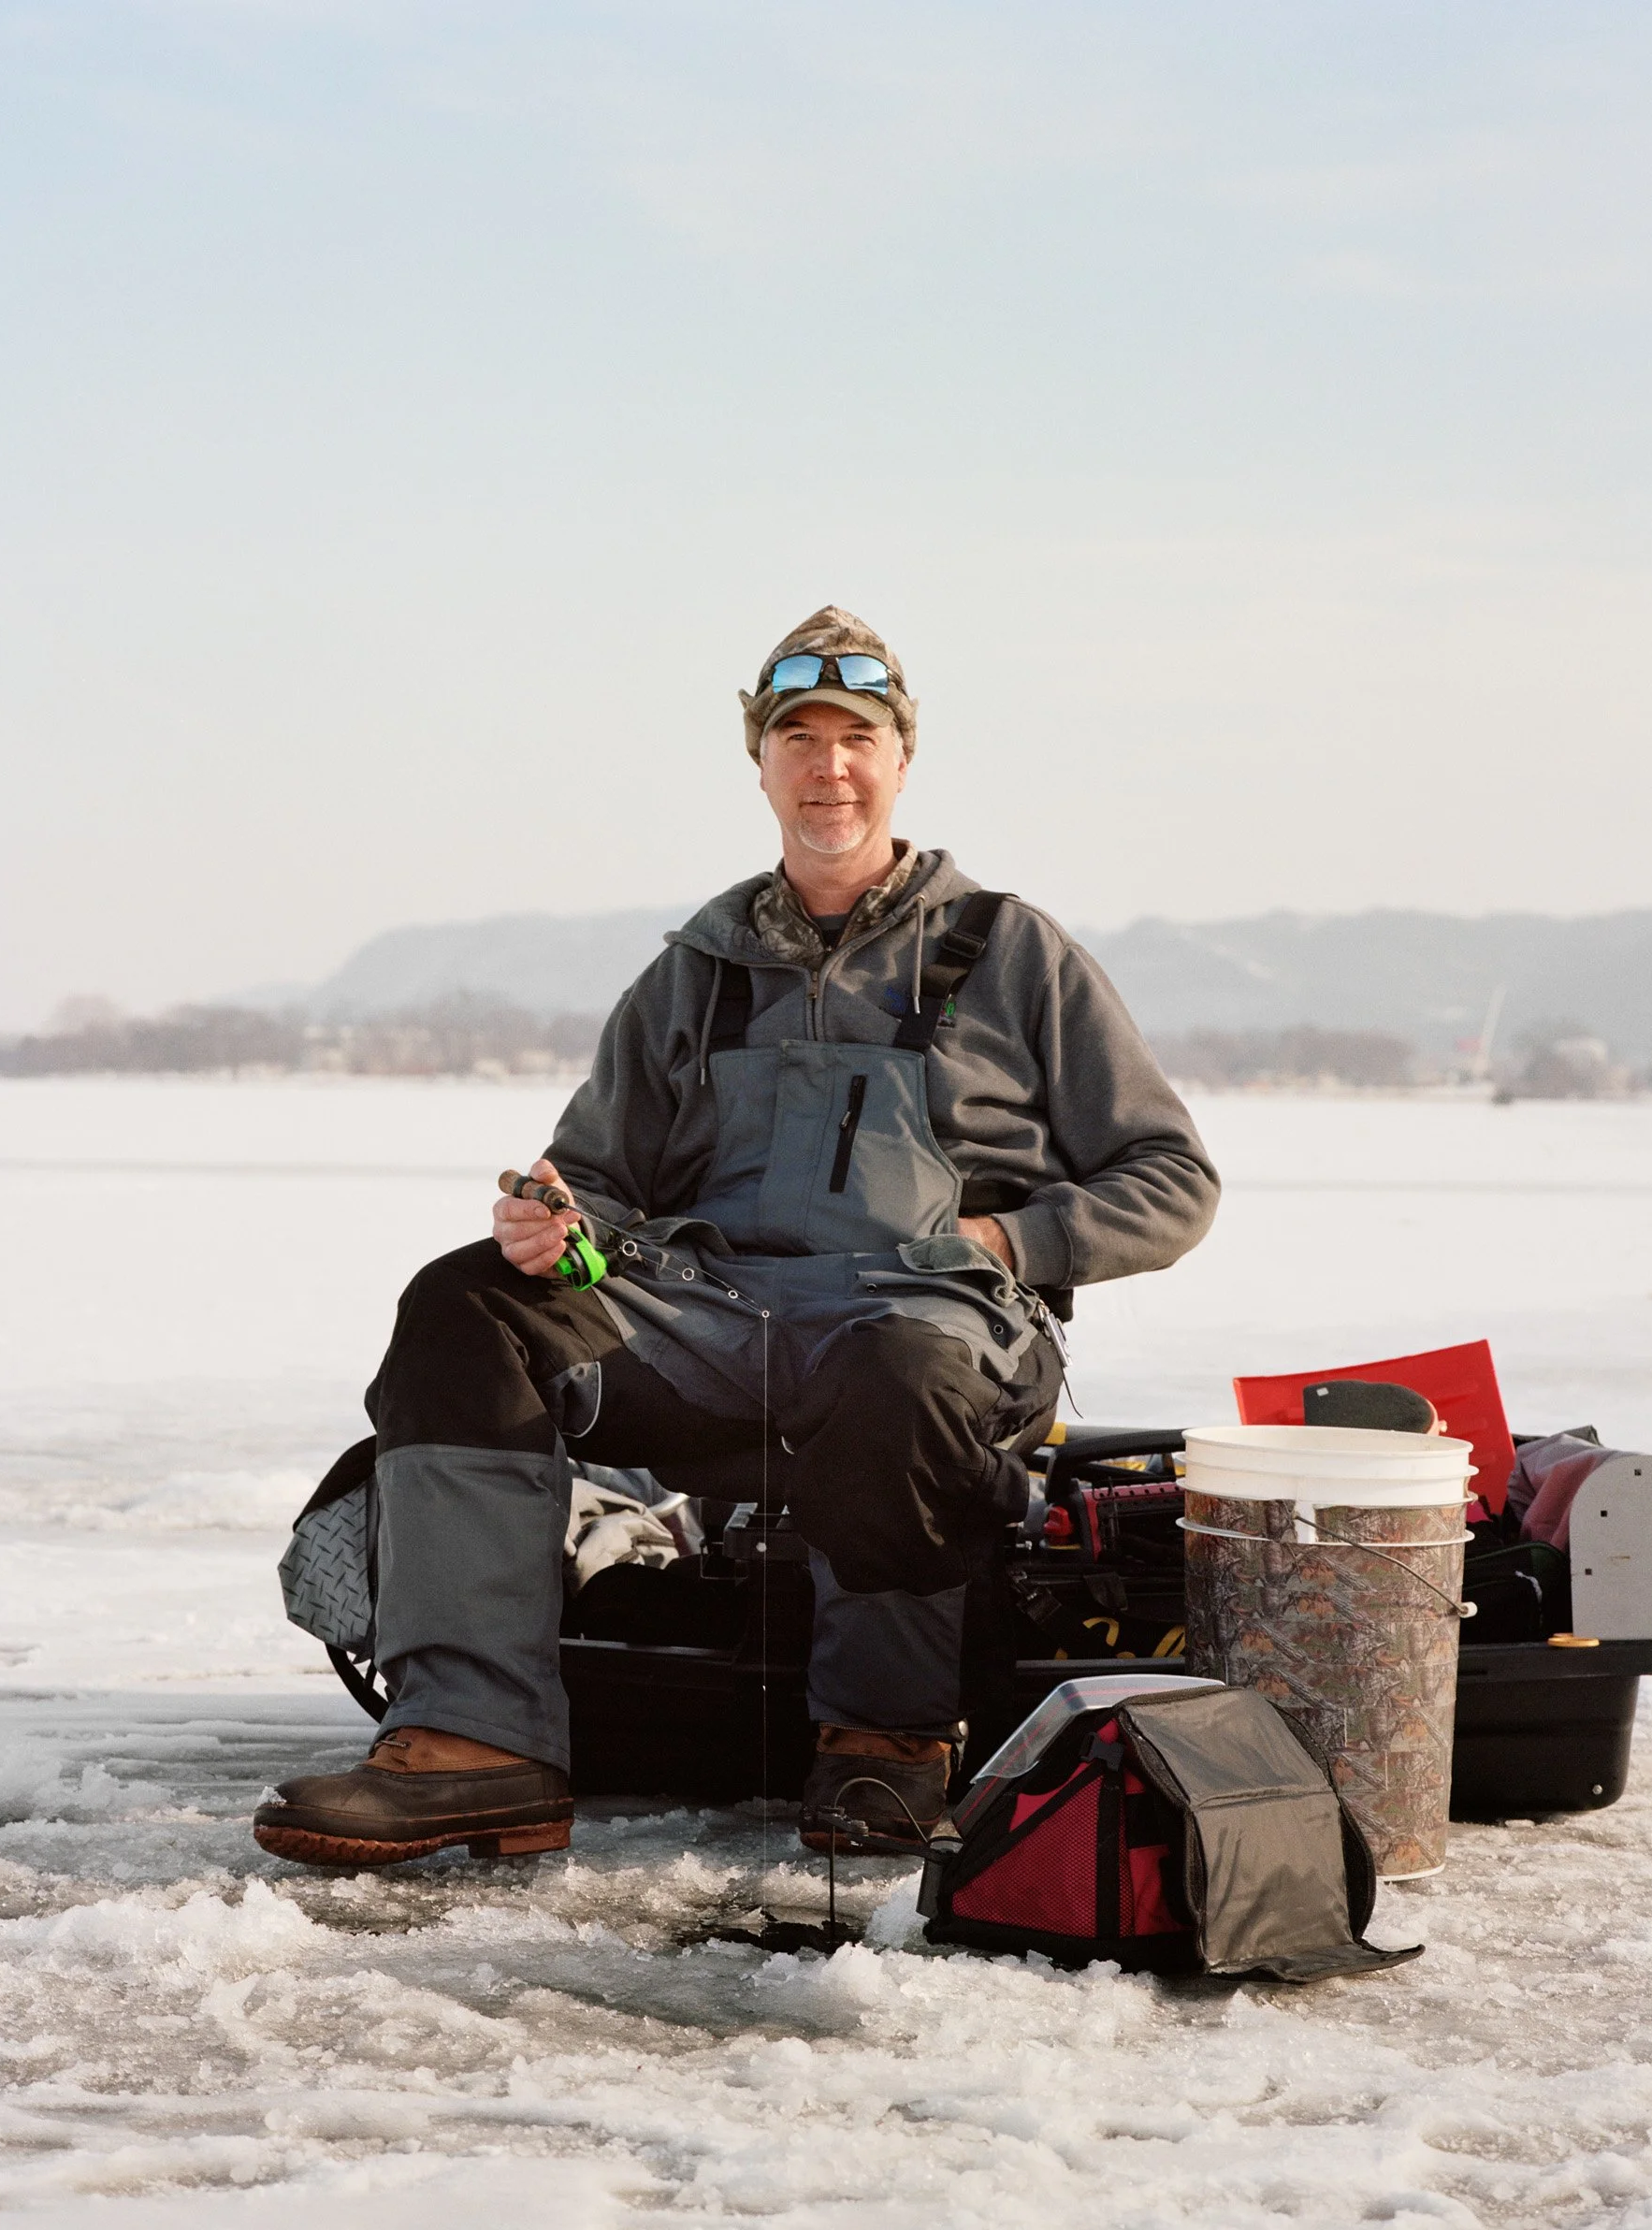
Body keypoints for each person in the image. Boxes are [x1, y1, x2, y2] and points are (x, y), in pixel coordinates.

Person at [255, 607, 1220, 1867]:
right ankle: (477, 1746)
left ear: (901, 759)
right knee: (467, 1303)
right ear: (760, 764)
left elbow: (1172, 1178)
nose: (830, 768)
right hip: (712, 1322)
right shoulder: (695, 972)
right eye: (799, 739)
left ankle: (884, 1745)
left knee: (904, 1361)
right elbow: (597, 1174)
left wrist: (1005, 1241)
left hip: (935, 1325)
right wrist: (559, 1220)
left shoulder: (1012, 955)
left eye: (857, 738)